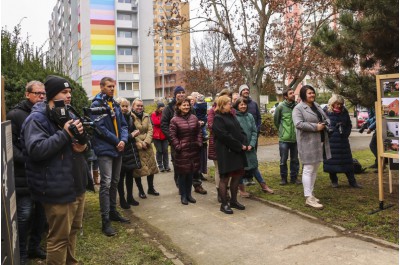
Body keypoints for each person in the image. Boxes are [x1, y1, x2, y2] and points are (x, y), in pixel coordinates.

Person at [20, 75, 88, 264]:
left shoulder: (69, 113)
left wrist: (83, 146)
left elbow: (83, 142)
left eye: (70, 93)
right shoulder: (37, 119)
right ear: (50, 95)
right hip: (57, 189)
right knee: (58, 239)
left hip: (77, 184)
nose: (68, 96)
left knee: (73, 232)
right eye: (64, 92)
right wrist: (65, 133)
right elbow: (36, 150)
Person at [6, 81, 47, 264]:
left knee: (41, 213)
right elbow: (10, 146)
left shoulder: (45, 113)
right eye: (37, 93)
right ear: (27, 94)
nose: (41, 96)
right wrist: (28, 158)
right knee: (24, 214)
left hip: (42, 174)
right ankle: (21, 252)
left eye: (43, 93)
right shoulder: (15, 115)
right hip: (23, 175)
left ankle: (34, 247)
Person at [90, 77, 130, 236]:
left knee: (115, 181)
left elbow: (124, 125)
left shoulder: (116, 105)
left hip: (118, 148)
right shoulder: (96, 105)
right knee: (105, 183)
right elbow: (99, 129)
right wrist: (117, 141)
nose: (112, 89)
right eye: (109, 86)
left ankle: (113, 211)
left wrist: (124, 140)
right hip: (105, 148)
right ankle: (105, 220)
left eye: (113, 86)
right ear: (101, 87)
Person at [161, 86, 207, 194]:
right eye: (179, 92)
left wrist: (198, 134)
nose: (181, 94)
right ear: (175, 94)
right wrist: (173, 140)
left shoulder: (189, 107)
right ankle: (181, 187)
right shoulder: (168, 109)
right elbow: (164, 125)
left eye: (183, 92)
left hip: (191, 143)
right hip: (177, 143)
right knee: (179, 165)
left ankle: (197, 185)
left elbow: (196, 122)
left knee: (194, 165)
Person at [292, 85, 331, 209]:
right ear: (304, 95)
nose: (312, 95)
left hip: (319, 141)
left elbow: (326, 118)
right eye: (309, 93)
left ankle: (311, 193)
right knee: (308, 169)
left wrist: (326, 123)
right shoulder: (298, 108)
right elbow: (298, 124)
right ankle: (308, 198)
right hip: (307, 142)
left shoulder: (317, 106)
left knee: (314, 169)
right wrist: (315, 127)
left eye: (313, 93)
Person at [212, 95, 248, 214]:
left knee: (237, 176)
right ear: (222, 105)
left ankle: (233, 201)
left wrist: (244, 141)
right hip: (226, 153)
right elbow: (224, 136)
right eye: (228, 103)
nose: (231, 105)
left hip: (237, 152)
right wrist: (239, 145)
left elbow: (240, 130)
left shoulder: (231, 116)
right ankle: (224, 204)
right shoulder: (218, 118)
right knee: (224, 179)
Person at [234, 97, 274, 196]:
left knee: (254, 167)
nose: (243, 106)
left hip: (250, 148)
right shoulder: (234, 117)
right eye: (241, 104)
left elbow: (254, 132)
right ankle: (242, 190)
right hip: (241, 149)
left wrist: (251, 144)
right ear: (237, 106)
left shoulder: (250, 116)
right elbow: (235, 133)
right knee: (240, 169)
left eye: (244, 104)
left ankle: (264, 186)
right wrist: (242, 145)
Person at [323, 95, 362, 188]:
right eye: (337, 104)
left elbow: (349, 124)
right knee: (332, 162)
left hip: (343, 140)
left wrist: (346, 133)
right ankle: (334, 181)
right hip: (331, 141)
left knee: (348, 162)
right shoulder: (326, 112)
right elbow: (323, 124)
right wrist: (329, 132)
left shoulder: (344, 111)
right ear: (332, 103)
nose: (339, 106)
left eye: (341, 104)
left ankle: (352, 182)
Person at [170, 98, 202, 205]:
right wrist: (178, 147)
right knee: (183, 174)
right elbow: (172, 136)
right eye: (184, 105)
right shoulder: (174, 120)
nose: (186, 107)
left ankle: (189, 195)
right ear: (179, 106)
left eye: (188, 105)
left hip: (193, 150)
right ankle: (183, 196)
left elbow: (199, 132)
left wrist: (199, 142)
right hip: (182, 151)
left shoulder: (194, 118)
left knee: (190, 174)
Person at [130, 98, 160, 198]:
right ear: (133, 106)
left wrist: (146, 141)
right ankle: (141, 190)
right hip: (137, 146)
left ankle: (151, 188)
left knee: (151, 168)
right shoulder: (130, 117)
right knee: (138, 170)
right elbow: (131, 131)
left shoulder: (146, 115)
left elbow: (151, 130)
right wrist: (139, 142)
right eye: (137, 105)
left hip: (147, 145)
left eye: (141, 106)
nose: (140, 107)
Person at [208, 89, 234, 202]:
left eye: (229, 97)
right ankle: (220, 192)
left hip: (230, 143)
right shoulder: (212, 111)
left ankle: (227, 191)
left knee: (230, 168)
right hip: (217, 143)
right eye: (224, 97)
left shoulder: (232, 111)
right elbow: (211, 126)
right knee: (219, 169)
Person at [115, 97, 140, 209]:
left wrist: (135, 132)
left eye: (126, 106)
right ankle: (122, 199)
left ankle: (130, 196)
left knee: (130, 175)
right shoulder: (115, 118)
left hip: (130, 149)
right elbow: (119, 136)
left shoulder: (130, 117)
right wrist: (131, 135)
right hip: (121, 150)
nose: (124, 108)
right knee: (121, 176)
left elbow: (133, 129)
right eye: (122, 106)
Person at [273, 88, 301, 185]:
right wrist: (282, 131)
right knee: (283, 160)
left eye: (293, 93)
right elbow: (276, 121)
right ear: (285, 96)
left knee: (295, 159)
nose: (293, 94)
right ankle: (283, 178)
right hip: (284, 139)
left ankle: (294, 178)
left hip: (295, 139)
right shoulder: (280, 107)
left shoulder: (297, 107)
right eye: (291, 93)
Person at [238, 84, 261, 185]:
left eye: (247, 89)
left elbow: (259, 118)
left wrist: (257, 129)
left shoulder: (254, 104)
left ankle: (250, 177)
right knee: (244, 157)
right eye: (244, 90)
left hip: (253, 135)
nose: (246, 91)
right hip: (243, 137)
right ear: (240, 92)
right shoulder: (238, 104)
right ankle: (243, 178)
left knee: (252, 155)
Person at [151, 102, 170, 172]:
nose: (162, 108)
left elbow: (168, 122)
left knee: (165, 150)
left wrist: (164, 122)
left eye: (163, 107)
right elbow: (156, 122)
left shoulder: (165, 113)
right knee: (159, 151)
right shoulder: (153, 114)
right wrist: (164, 121)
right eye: (161, 107)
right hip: (157, 136)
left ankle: (166, 166)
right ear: (158, 108)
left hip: (165, 135)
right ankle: (160, 166)